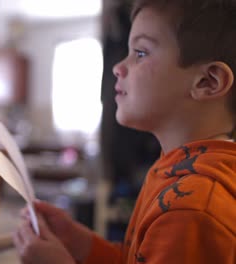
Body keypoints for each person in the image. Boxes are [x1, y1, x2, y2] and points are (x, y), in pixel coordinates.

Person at [13, 0, 236, 263]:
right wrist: (81, 242)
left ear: (207, 82)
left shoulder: (192, 205)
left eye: (140, 53)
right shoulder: (173, 169)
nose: (117, 67)